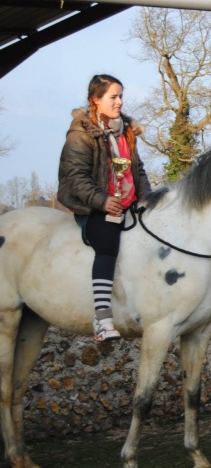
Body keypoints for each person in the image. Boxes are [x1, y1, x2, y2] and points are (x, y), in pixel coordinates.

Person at [57, 74, 151, 341]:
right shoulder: (80, 134)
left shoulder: (126, 131)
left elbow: (138, 170)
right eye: (113, 96)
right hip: (95, 208)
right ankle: (102, 318)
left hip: (129, 204)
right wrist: (103, 201)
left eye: (121, 96)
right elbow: (75, 177)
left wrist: (147, 200)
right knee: (108, 242)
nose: (120, 102)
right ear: (95, 100)